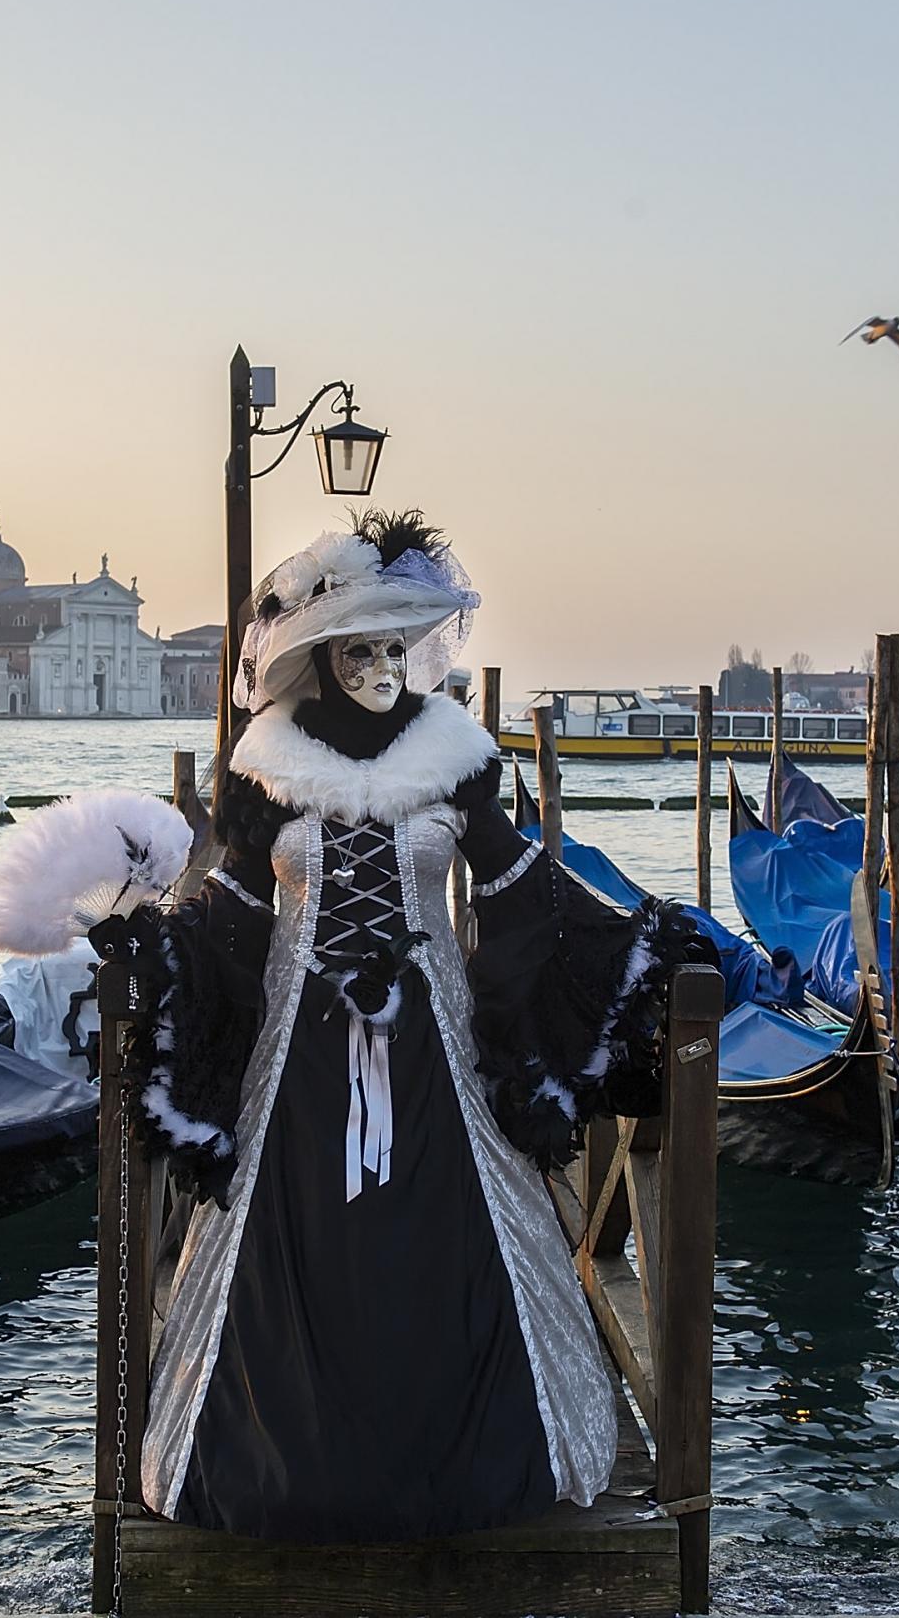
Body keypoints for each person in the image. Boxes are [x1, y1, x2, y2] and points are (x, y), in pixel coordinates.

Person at [93, 512, 705, 1543]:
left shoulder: (453, 755)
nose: (380, 666)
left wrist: (642, 942)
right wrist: (154, 941)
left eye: (392, 645)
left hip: (434, 1046)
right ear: (316, 659)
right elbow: (238, 909)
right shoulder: (268, 763)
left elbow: (520, 893)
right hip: (300, 1048)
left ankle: (469, 1448)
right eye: (357, 648)